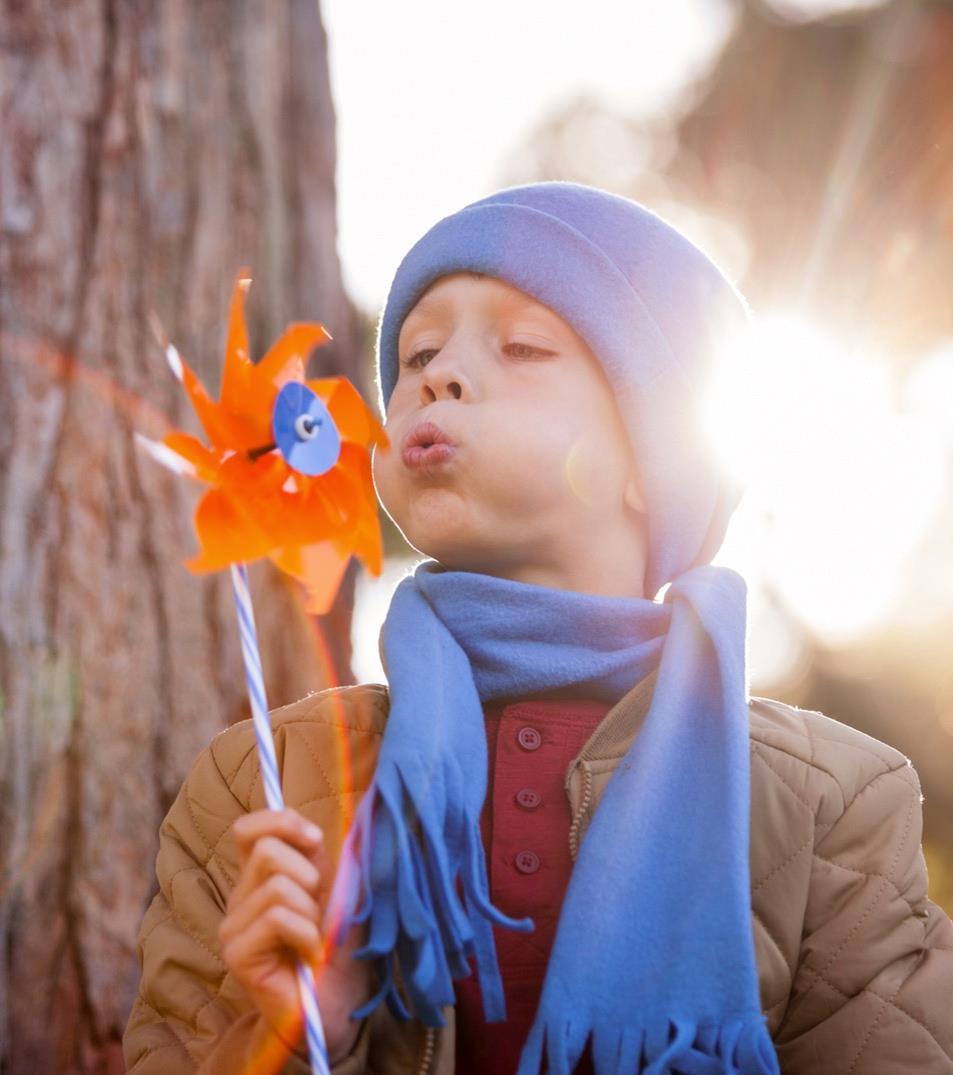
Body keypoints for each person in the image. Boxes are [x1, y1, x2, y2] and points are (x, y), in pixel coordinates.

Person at [123, 182, 953, 1075]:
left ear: (654, 457)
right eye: (415, 353)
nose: (435, 374)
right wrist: (295, 1032)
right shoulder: (263, 780)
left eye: (521, 346)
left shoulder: (830, 801)